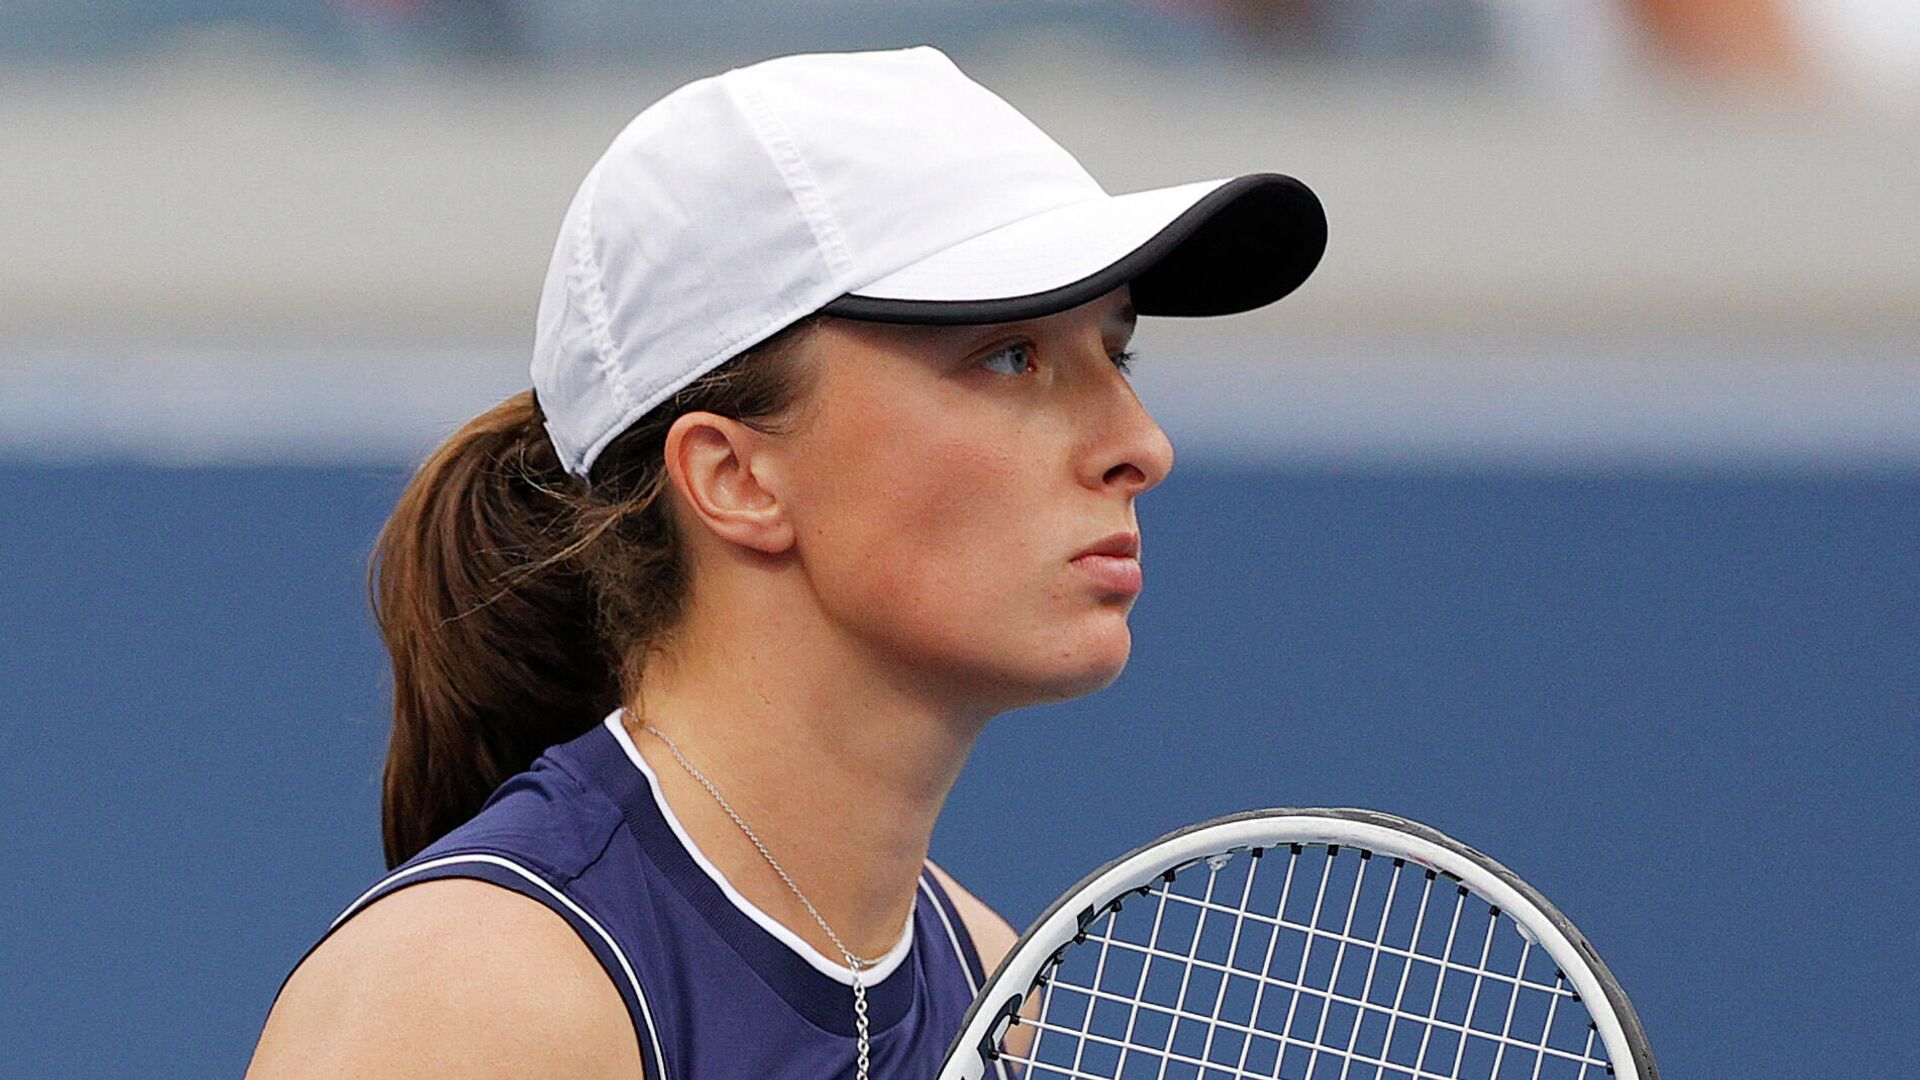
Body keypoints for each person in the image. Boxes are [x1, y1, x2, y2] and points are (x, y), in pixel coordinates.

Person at [243, 45, 1325, 1080]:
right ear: (734, 477)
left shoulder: (987, 979)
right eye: (1011, 356)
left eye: (1116, 350)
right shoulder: (471, 994)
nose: (1141, 443)